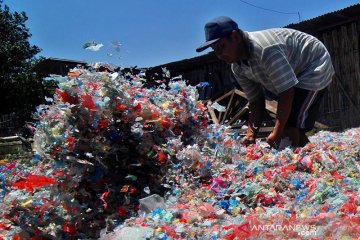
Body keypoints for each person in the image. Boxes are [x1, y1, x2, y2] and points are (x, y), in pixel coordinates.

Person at [196, 16, 335, 149]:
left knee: (289, 125)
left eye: (221, 47)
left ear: (235, 36)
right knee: (290, 126)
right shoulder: (237, 68)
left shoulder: (265, 50)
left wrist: (276, 132)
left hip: (313, 64)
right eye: (215, 50)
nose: (219, 55)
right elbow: (255, 101)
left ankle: (294, 162)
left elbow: (287, 92)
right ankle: (308, 157)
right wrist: (251, 134)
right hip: (293, 73)